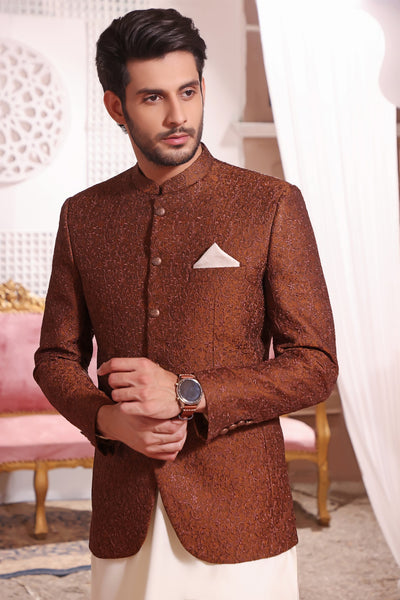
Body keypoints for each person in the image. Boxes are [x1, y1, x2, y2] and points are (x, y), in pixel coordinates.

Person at [34, 8, 338, 600]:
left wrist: (186, 393)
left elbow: (315, 365)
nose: (178, 116)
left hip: (240, 513)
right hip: (124, 509)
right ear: (116, 106)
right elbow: (55, 358)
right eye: (153, 97)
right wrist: (108, 421)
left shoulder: (270, 204)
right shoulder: (83, 216)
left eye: (189, 91)